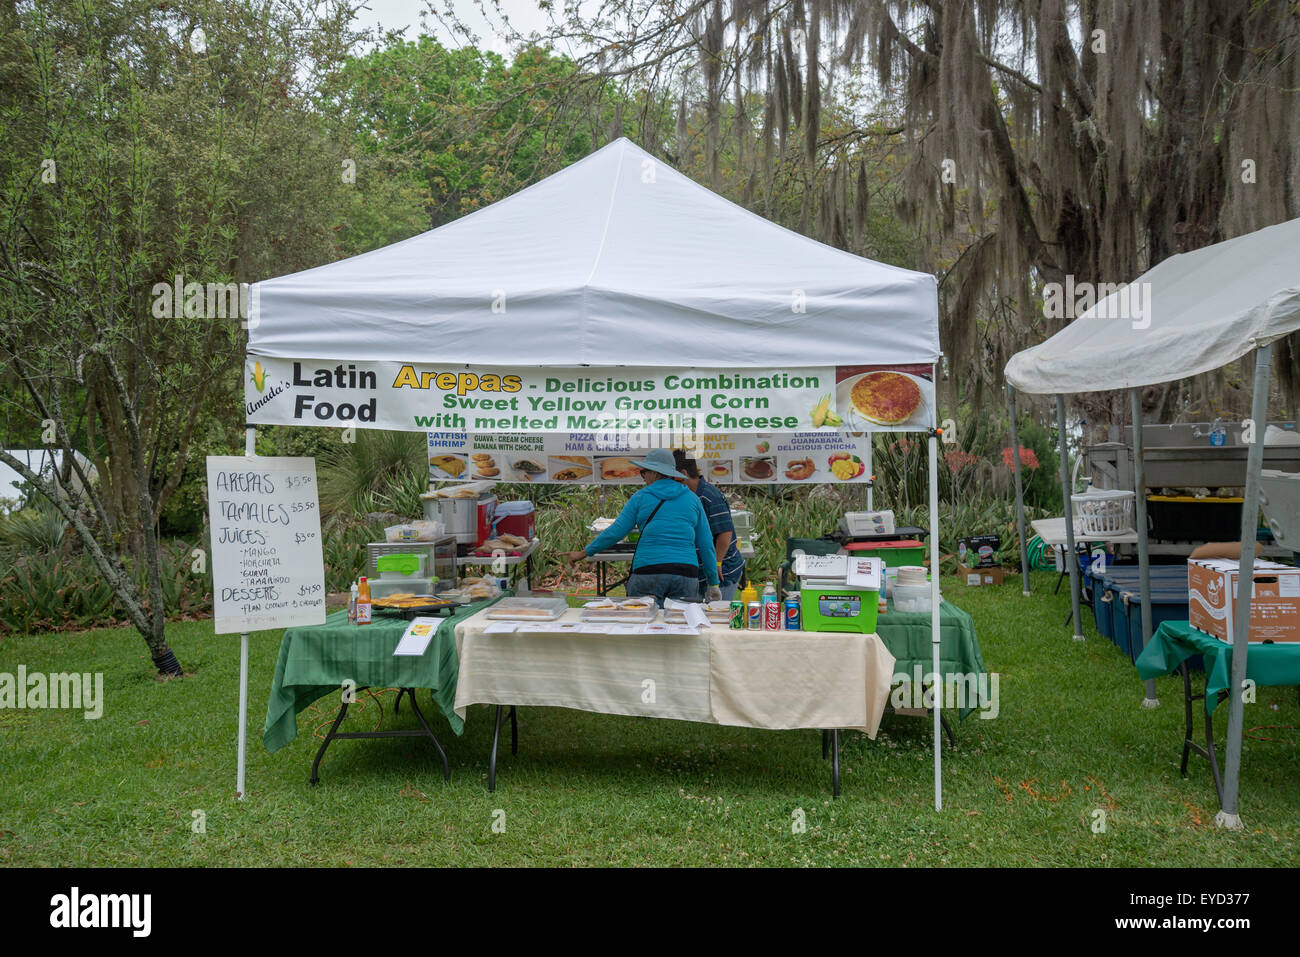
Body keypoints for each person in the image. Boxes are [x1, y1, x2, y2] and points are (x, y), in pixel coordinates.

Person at [565, 448, 720, 607]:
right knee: (679, 625)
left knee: (642, 625)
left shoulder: (640, 498)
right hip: (685, 574)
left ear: (654, 473)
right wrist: (713, 583)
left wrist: (583, 553)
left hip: (647, 572)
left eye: (643, 472)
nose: (643, 478)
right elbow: (706, 544)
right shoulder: (692, 499)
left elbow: (615, 532)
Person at [673, 450, 746, 601]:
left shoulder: (709, 496)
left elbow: (725, 535)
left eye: (669, 476)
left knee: (716, 617)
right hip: (701, 572)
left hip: (723, 571)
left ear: (682, 473)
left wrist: (716, 563)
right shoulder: (688, 496)